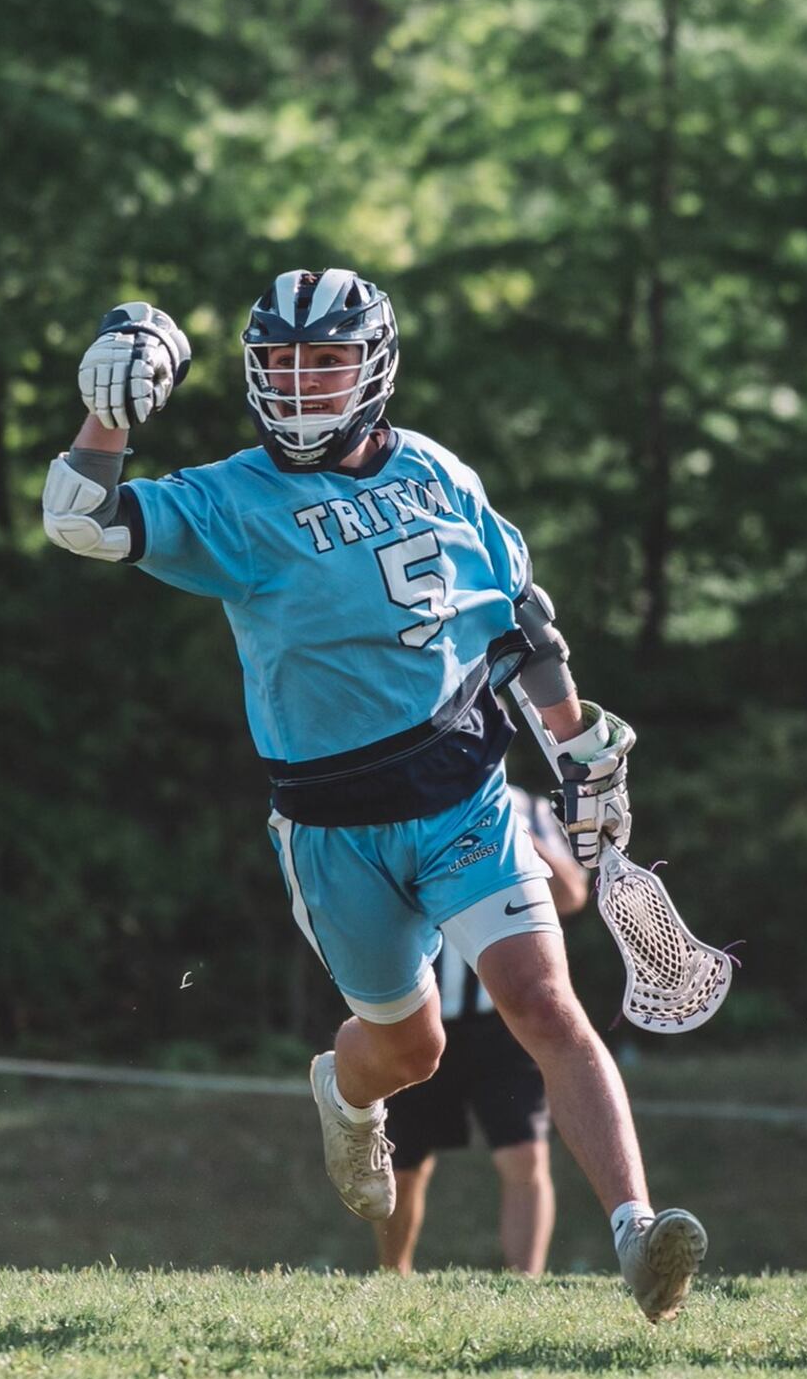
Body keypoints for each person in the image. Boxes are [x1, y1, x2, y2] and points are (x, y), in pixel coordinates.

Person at [43, 269, 707, 1321]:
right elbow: (80, 518)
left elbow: (518, 625)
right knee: (411, 1049)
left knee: (543, 1002)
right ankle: (346, 1094)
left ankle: (637, 1232)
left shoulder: (438, 471)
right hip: (333, 827)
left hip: (464, 798)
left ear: (376, 366)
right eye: (282, 362)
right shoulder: (234, 496)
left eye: (326, 360)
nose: (301, 382)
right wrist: (107, 411)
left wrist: (578, 743)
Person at [375, 787, 589, 1277]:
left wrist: (516, 832)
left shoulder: (525, 807)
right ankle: (392, 1274)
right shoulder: (402, 797)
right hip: (419, 1011)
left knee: (525, 1156)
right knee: (403, 1165)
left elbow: (572, 894)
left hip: (502, 1021)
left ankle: (525, 1284)